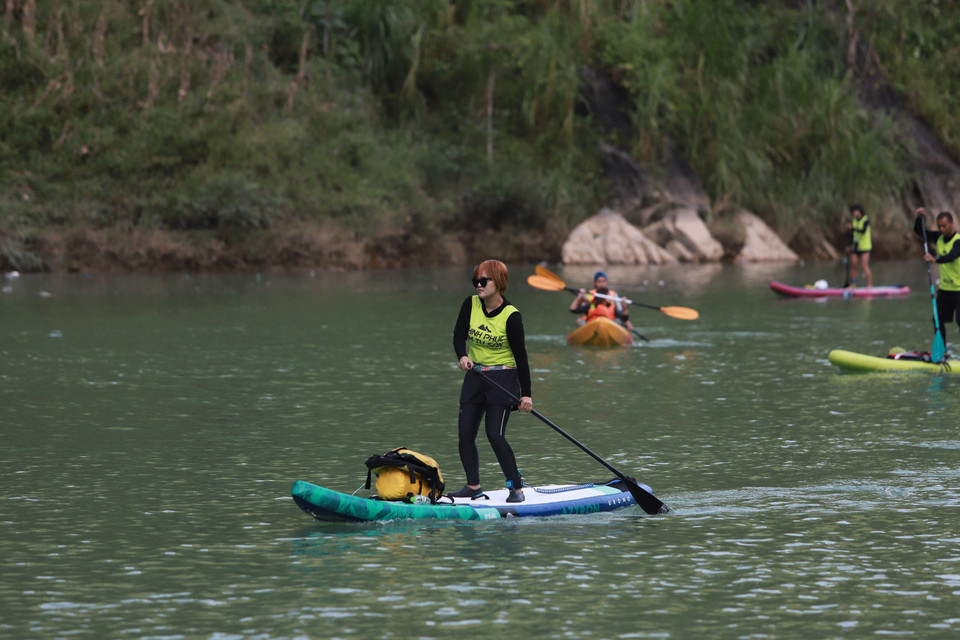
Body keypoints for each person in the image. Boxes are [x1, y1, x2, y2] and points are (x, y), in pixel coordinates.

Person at [451, 259, 532, 503]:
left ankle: (515, 487)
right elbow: (458, 336)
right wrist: (462, 355)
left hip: (503, 379)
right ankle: (473, 486)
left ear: (499, 282)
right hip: (475, 376)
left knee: (494, 435)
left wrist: (526, 394)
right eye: (475, 280)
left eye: (483, 280)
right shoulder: (471, 304)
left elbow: (522, 357)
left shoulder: (511, 316)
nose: (478, 285)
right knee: (465, 434)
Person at [915, 207, 960, 352]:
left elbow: (951, 256)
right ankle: (942, 351)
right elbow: (920, 232)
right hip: (945, 290)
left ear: (952, 224)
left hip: (959, 290)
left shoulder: (958, 241)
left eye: (944, 226)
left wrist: (935, 259)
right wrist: (919, 218)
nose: (941, 228)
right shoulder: (938, 237)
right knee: (937, 321)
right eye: (939, 226)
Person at [569, 271, 635, 332]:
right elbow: (573, 309)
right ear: (594, 283)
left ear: (606, 282)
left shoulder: (613, 296)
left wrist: (626, 315)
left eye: (603, 281)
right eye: (599, 281)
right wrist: (580, 296)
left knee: (618, 320)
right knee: (579, 321)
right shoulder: (589, 296)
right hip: (592, 323)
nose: (601, 284)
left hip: (610, 323)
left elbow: (622, 315)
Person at [846, 203, 873, 289]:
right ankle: (853, 285)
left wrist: (852, 228)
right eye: (853, 211)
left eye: (855, 211)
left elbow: (862, 231)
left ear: (859, 211)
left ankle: (869, 285)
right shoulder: (854, 220)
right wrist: (848, 245)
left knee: (864, 266)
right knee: (854, 265)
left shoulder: (866, 220)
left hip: (865, 247)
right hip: (855, 246)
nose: (854, 213)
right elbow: (852, 234)